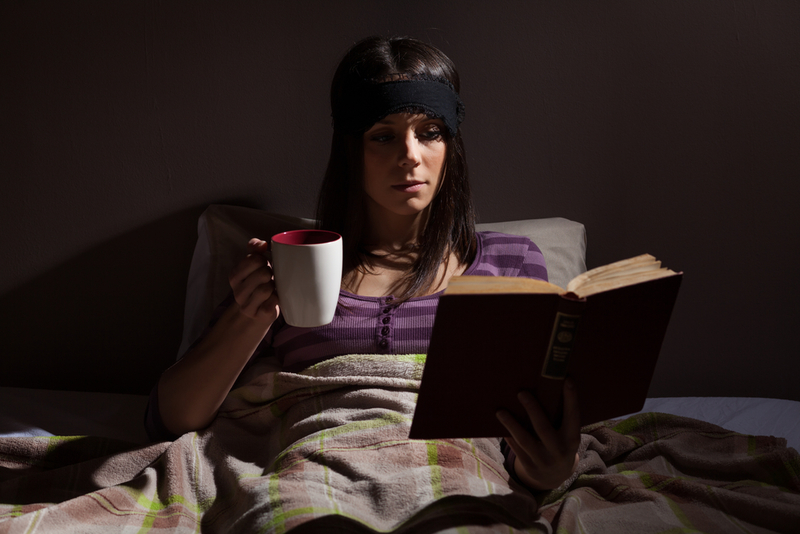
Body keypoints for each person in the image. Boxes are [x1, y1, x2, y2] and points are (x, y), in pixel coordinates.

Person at [146, 35, 580, 492]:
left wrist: (545, 471)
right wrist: (250, 314)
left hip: (452, 479)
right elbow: (169, 421)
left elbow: (524, 436)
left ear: (452, 144)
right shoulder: (293, 264)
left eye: (430, 131)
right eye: (383, 135)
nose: (410, 155)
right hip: (314, 477)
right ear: (352, 151)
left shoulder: (508, 264)